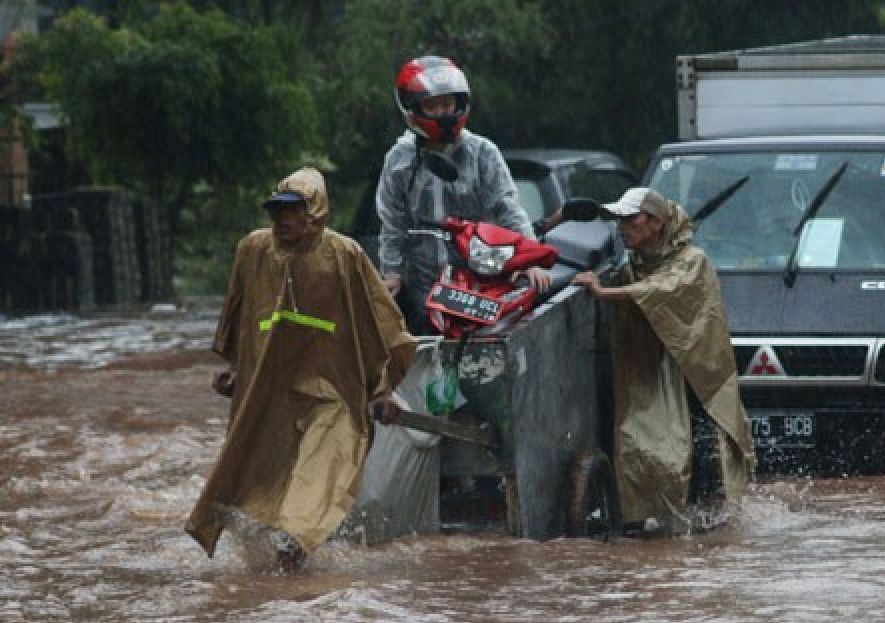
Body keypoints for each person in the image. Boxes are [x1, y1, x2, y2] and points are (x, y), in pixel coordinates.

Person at [186, 167, 417, 570]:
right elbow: (241, 317)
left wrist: (381, 389)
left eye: (293, 212)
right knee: (255, 483)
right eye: (277, 212)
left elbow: (379, 325)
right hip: (270, 390)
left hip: (333, 394)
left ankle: (290, 557)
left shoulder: (344, 256)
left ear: (316, 212)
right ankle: (267, 563)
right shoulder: (254, 251)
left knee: (319, 477)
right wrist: (238, 370)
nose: (284, 221)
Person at [572, 187, 755, 532]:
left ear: (655, 222)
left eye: (630, 219)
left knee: (705, 458)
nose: (622, 227)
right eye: (619, 220)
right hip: (654, 379)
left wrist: (603, 292)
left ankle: (706, 527)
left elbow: (663, 290)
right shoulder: (633, 266)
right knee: (645, 446)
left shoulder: (692, 261)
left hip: (697, 383)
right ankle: (651, 517)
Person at [376, 55, 543, 334]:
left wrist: (531, 260)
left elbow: (507, 208)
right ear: (412, 108)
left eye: (447, 104)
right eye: (432, 106)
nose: (443, 113)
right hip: (422, 288)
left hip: (480, 282)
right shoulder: (400, 160)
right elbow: (393, 224)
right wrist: (391, 274)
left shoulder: (482, 153)